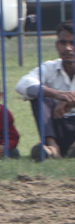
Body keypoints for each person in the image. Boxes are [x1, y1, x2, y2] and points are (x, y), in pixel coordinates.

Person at [15, 20, 75, 159]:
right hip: (57, 125)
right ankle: (53, 148)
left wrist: (69, 101)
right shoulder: (50, 67)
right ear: (57, 45)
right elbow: (22, 84)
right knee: (39, 94)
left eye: (73, 43)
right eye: (63, 42)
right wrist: (56, 94)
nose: (68, 48)